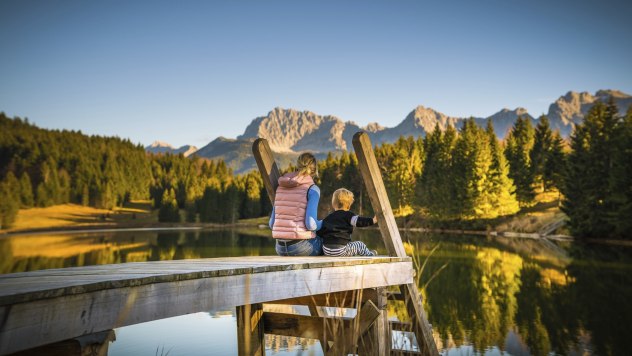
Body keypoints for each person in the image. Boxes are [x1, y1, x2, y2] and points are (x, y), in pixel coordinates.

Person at [269, 152, 323, 256]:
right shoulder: (312, 189)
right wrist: (324, 223)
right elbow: (311, 224)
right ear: (314, 169)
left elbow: (272, 224)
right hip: (300, 247)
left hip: (280, 248)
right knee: (326, 243)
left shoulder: (280, 187)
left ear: (297, 166)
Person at [319, 188, 378, 256]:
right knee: (359, 244)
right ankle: (369, 254)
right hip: (340, 250)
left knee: (349, 245)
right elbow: (359, 221)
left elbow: (321, 231)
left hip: (326, 250)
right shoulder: (348, 216)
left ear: (333, 203)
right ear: (349, 204)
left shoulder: (328, 217)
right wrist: (372, 220)